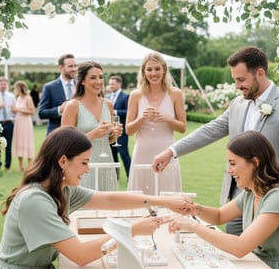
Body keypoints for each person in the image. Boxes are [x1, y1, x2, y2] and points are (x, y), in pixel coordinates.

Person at [0, 126, 193, 269]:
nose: (88, 169)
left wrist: (164, 202)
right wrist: (133, 230)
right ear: (63, 161)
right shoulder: (35, 200)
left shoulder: (61, 190)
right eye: (84, 162)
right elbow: (81, 255)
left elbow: (110, 200)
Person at [153, 46, 279, 235]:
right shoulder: (238, 104)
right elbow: (209, 130)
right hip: (237, 199)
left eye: (241, 80)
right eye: (235, 80)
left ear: (260, 73)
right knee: (234, 256)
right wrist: (171, 151)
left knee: (261, 261)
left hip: (269, 202)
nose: (237, 85)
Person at [167, 130, 279, 269]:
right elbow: (220, 216)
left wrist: (193, 226)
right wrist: (196, 209)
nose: (229, 170)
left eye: (233, 163)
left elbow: (240, 247)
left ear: (255, 162)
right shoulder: (253, 191)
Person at [126, 52, 186, 195]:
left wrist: (168, 119)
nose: (154, 73)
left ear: (164, 69)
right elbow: (128, 130)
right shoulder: (136, 95)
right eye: (149, 69)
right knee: (141, 197)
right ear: (144, 71)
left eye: (157, 69)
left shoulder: (175, 94)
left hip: (166, 151)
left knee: (167, 194)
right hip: (142, 152)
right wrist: (141, 118)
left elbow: (182, 127)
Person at [61, 61, 118, 191]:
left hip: (106, 162)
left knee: (108, 206)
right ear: (82, 81)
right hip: (82, 165)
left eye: (101, 77)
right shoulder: (73, 106)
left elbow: (108, 140)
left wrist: (113, 135)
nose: (98, 81)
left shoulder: (108, 105)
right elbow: (64, 143)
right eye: (93, 78)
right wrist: (92, 134)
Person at [38, 53, 77, 134]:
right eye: (70, 66)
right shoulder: (49, 87)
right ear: (61, 68)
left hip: (78, 134)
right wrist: (59, 109)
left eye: (75, 66)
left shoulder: (81, 85)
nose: (74, 69)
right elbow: (42, 113)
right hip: (56, 134)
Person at [107, 75, 132, 180]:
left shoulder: (125, 96)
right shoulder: (107, 97)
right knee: (112, 155)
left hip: (121, 130)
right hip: (111, 130)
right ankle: (115, 176)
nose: (110, 86)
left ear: (119, 84)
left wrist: (115, 112)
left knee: (123, 153)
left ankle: (130, 175)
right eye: (110, 84)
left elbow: (129, 112)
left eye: (113, 84)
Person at [12, 81, 36, 171]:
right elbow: (17, 110)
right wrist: (15, 110)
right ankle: (20, 165)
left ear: (19, 88)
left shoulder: (28, 98)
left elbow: (32, 111)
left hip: (25, 122)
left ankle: (30, 164)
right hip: (18, 122)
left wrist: (19, 110)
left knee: (27, 140)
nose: (15, 90)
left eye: (16, 88)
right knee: (19, 141)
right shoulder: (18, 98)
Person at [0, 77, 16, 171]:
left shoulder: (11, 96)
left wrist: (13, 114)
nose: (3, 86)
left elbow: (15, 109)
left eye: (5, 84)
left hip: (8, 123)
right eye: (2, 84)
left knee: (8, 145)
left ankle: (7, 166)